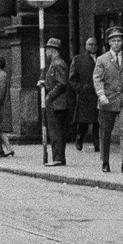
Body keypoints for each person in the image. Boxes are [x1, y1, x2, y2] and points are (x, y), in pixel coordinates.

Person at [93, 26, 123, 174]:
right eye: (113, 41)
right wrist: (101, 96)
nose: (117, 43)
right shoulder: (102, 59)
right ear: (109, 43)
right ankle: (105, 162)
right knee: (106, 132)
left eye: (119, 40)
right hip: (108, 99)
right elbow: (97, 79)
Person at [40, 37, 70, 166]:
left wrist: (49, 96)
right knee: (56, 130)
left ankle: (58, 157)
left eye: (47, 50)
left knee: (56, 131)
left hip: (58, 103)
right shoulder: (55, 63)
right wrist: (44, 83)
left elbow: (62, 83)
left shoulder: (58, 64)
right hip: (57, 102)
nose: (46, 53)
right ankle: (57, 157)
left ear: (52, 50)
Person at [70, 37, 100, 151]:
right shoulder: (78, 59)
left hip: (97, 93)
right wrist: (80, 88)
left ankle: (97, 144)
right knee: (83, 121)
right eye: (90, 45)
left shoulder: (100, 58)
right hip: (85, 95)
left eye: (94, 45)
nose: (93, 47)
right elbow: (72, 78)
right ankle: (79, 138)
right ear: (86, 46)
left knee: (98, 121)